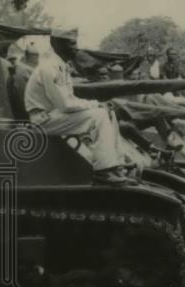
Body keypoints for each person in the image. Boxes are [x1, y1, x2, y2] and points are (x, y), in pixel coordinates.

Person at [24, 28, 133, 186]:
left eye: (75, 43)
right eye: (71, 43)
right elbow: (66, 105)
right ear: (56, 44)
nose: (76, 47)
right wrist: (95, 104)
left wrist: (99, 105)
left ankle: (116, 165)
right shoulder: (49, 67)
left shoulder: (61, 66)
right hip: (42, 120)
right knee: (99, 115)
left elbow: (70, 100)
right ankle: (103, 171)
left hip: (53, 116)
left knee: (108, 112)